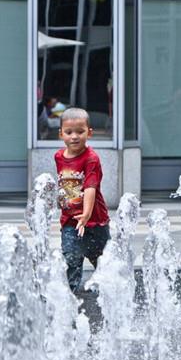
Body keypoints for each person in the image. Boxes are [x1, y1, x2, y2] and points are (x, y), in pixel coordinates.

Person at [54, 108, 110, 292]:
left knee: (103, 262)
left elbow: (90, 187)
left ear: (89, 132)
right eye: (69, 132)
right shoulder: (59, 157)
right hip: (70, 221)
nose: (74, 137)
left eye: (80, 131)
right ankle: (69, 298)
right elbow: (65, 183)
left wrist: (86, 214)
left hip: (95, 221)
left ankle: (111, 293)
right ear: (61, 134)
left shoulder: (91, 159)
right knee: (71, 258)